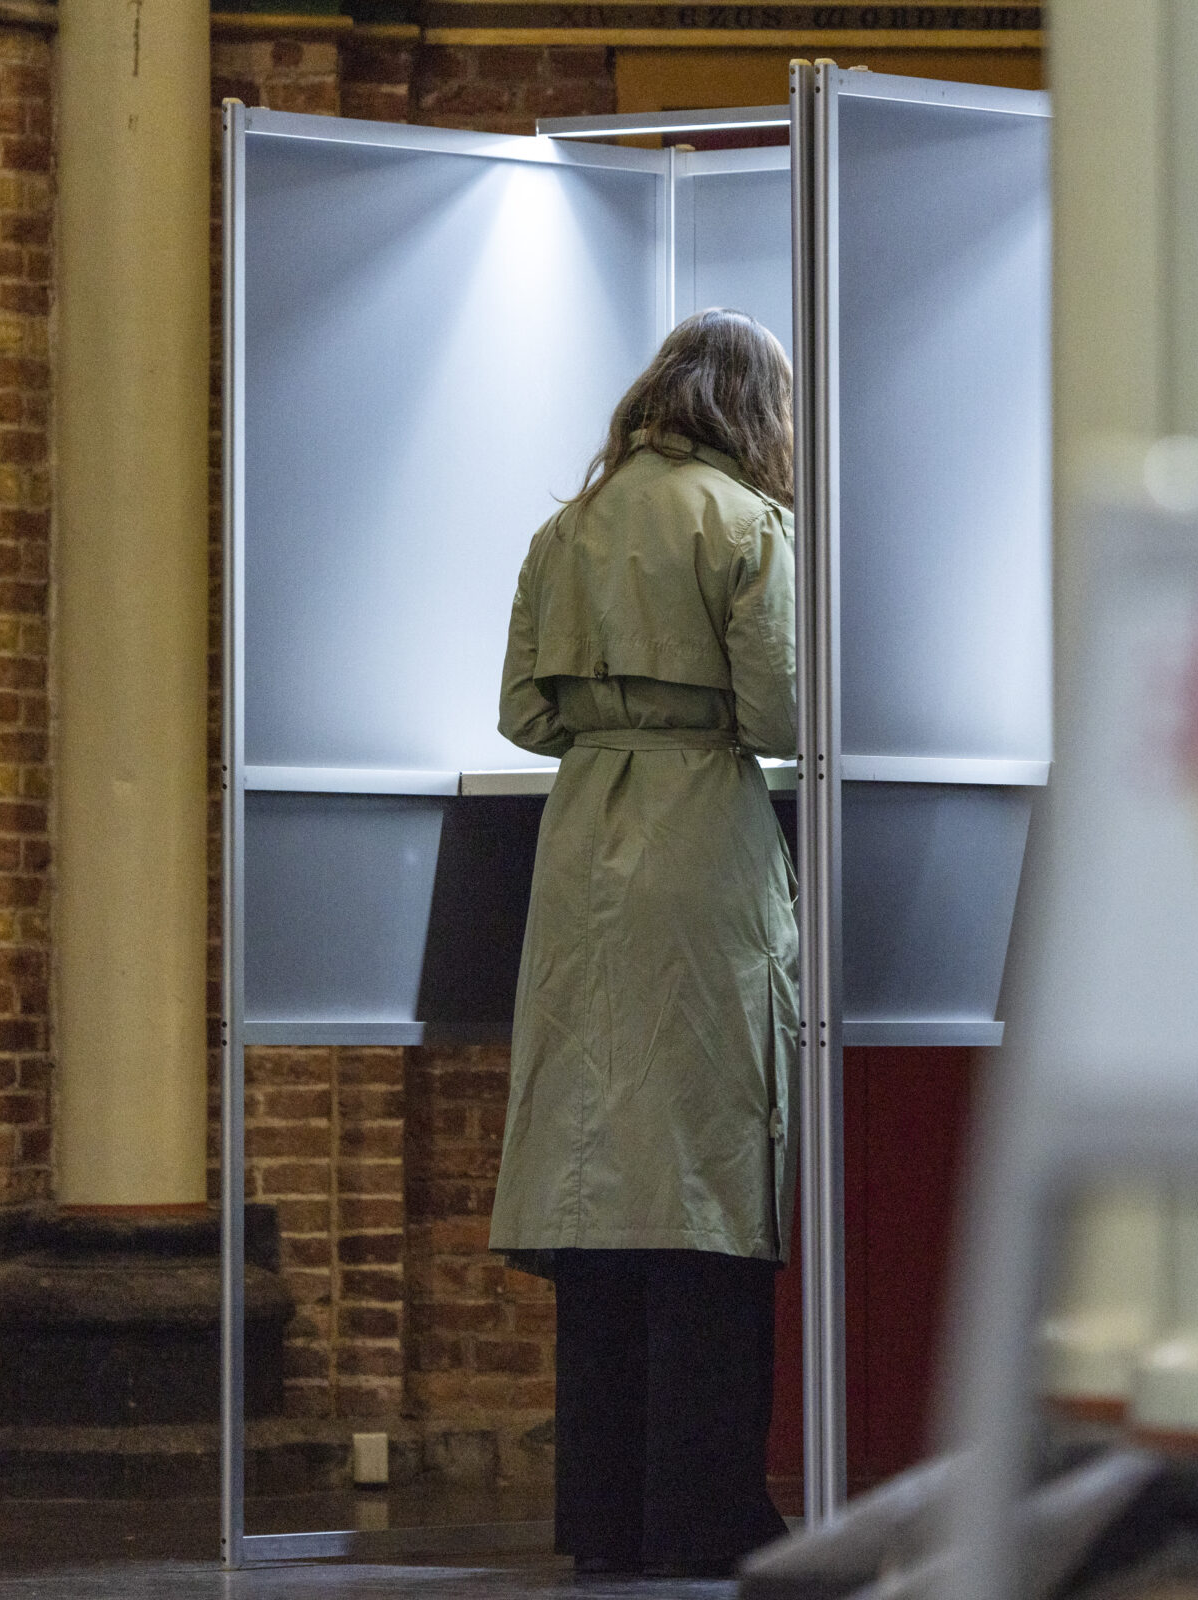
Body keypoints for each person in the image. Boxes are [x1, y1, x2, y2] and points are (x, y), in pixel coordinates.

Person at [488, 308, 798, 1578]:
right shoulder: (743, 524)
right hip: (701, 843)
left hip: (580, 849)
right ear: (752, 408)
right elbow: (784, 709)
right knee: (709, 1180)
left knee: (596, 1187)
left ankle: (602, 1516)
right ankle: (705, 1508)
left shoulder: (569, 525)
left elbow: (520, 712)